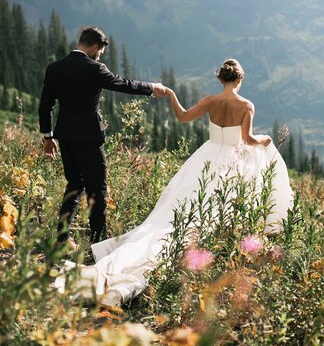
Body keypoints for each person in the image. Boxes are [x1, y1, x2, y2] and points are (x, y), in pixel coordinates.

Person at [55, 58, 293, 305]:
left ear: (220, 78)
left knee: (188, 203)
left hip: (208, 157)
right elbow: (247, 139)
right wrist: (264, 140)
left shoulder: (210, 101)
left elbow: (182, 117)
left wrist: (171, 95)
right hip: (231, 161)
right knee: (221, 205)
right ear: (240, 79)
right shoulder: (246, 105)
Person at [38, 25, 166, 247]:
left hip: (65, 137)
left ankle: (61, 238)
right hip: (89, 138)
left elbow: (44, 107)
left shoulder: (54, 68)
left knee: (74, 185)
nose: (99, 56)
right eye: (100, 52)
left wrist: (48, 138)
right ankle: (99, 242)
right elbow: (123, 84)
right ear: (95, 47)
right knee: (98, 189)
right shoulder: (95, 68)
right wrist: (151, 87)